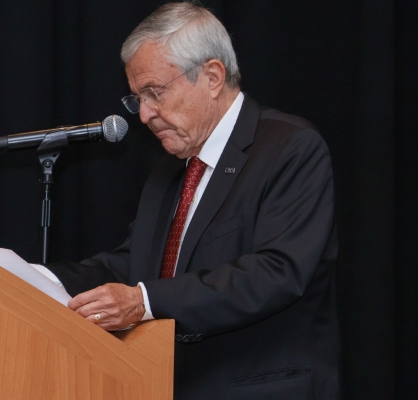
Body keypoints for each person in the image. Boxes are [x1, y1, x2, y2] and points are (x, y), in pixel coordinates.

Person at [40, 2, 340, 399]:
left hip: (260, 388)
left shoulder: (290, 149)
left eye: (154, 92)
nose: (144, 115)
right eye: (137, 98)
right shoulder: (172, 166)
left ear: (212, 77)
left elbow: (277, 271)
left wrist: (144, 301)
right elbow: (133, 263)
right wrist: (37, 279)